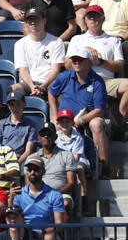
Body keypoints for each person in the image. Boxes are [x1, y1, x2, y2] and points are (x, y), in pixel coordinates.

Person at [48, 45, 112, 173]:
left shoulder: (97, 81)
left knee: (97, 123)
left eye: (80, 60)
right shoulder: (64, 76)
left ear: (88, 62)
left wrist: (79, 121)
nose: (76, 62)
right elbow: (51, 93)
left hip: (87, 117)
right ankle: (51, 165)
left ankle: (103, 166)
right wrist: (55, 115)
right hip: (64, 118)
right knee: (53, 127)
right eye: (74, 60)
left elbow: (99, 110)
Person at [15, 155, 68, 240]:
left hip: (46, 233)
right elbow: (13, 218)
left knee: (49, 238)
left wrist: (42, 231)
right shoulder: (18, 194)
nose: (32, 172)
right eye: (30, 169)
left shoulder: (54, 194)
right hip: (24, 233)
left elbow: (59, 224)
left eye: (36, 169)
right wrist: (10, 200)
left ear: (43, 171)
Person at [13, 6, 67, 101]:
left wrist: (43, 86)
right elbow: (23, 71)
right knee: (14, 90)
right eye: (30, 20)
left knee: (59, 91)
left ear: (44, 21)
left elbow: (55, 70)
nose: (33, 23)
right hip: (29, 83)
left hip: (50, 82)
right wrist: (32, 86)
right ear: (26, 23)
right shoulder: (19, 44)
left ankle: (55, 116)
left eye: (36, 19)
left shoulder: (56, 42)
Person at [0, 90, 39, 163]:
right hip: (3, 160)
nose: (15, 107)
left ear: (24, 104)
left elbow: (28, 151)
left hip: (21, 160)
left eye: (18, 104)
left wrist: (16, 164)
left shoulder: (31, 125)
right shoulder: (0, 124)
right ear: (8, 106)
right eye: (12, 104)